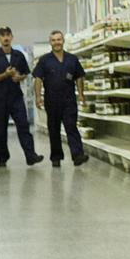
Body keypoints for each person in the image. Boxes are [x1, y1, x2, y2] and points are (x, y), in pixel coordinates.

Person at [0, 27, 44, 168]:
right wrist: (5, 75)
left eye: (8, 35)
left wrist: (19, 77)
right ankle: (1, 158)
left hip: (16, 97)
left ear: (12, 37)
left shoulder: (19, 55)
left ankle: (31, 156)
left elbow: (25, 73)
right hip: (0, 99)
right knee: (0, 129)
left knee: (24, 126)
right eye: (2, 36)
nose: (5, 38)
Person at [33, 30, 89, 167]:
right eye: (54, 40)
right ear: (50, 42)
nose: (57, 42)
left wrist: (81, 94)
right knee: (54, 129)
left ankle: (77, 155)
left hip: (69, 99)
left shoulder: (72, 59)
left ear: (63, 41)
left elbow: (79, 77)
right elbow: (38, 79)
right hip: (51, 100)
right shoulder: (44, 60)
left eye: (59, 39)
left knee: (71, 127)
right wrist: (38, 97)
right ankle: (56, 157)